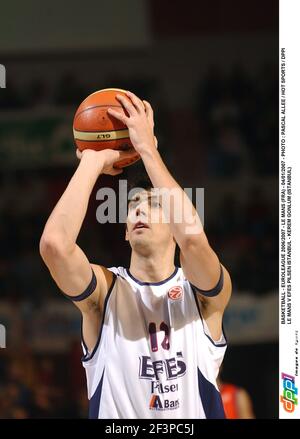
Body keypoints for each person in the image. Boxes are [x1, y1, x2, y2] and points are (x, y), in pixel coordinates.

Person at [40, 90, 232, 419]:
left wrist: (147, 148)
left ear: (174, 222)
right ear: (126, 231)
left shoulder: (203, 296)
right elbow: (55, 246)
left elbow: (195, 243)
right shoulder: (106, 292)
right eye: (133, 206)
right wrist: (93, 160)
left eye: (154, 204)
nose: (140, 209)